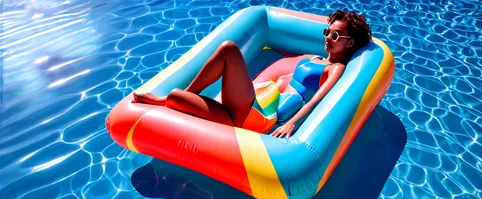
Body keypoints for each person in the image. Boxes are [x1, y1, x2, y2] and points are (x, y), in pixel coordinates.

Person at [133, 10, 372, 138]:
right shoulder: (315, 58)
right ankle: (171, 100)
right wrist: (269, 42)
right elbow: (291, 57)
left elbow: (319, 99)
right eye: (326, 32)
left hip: (259, 115)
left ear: (350, 43)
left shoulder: (336, 68)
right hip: (244, 110)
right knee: (175, 96)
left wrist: (292, 123)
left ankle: (173, 98)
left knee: (228, 49)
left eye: (335, 36)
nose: (327, 39)